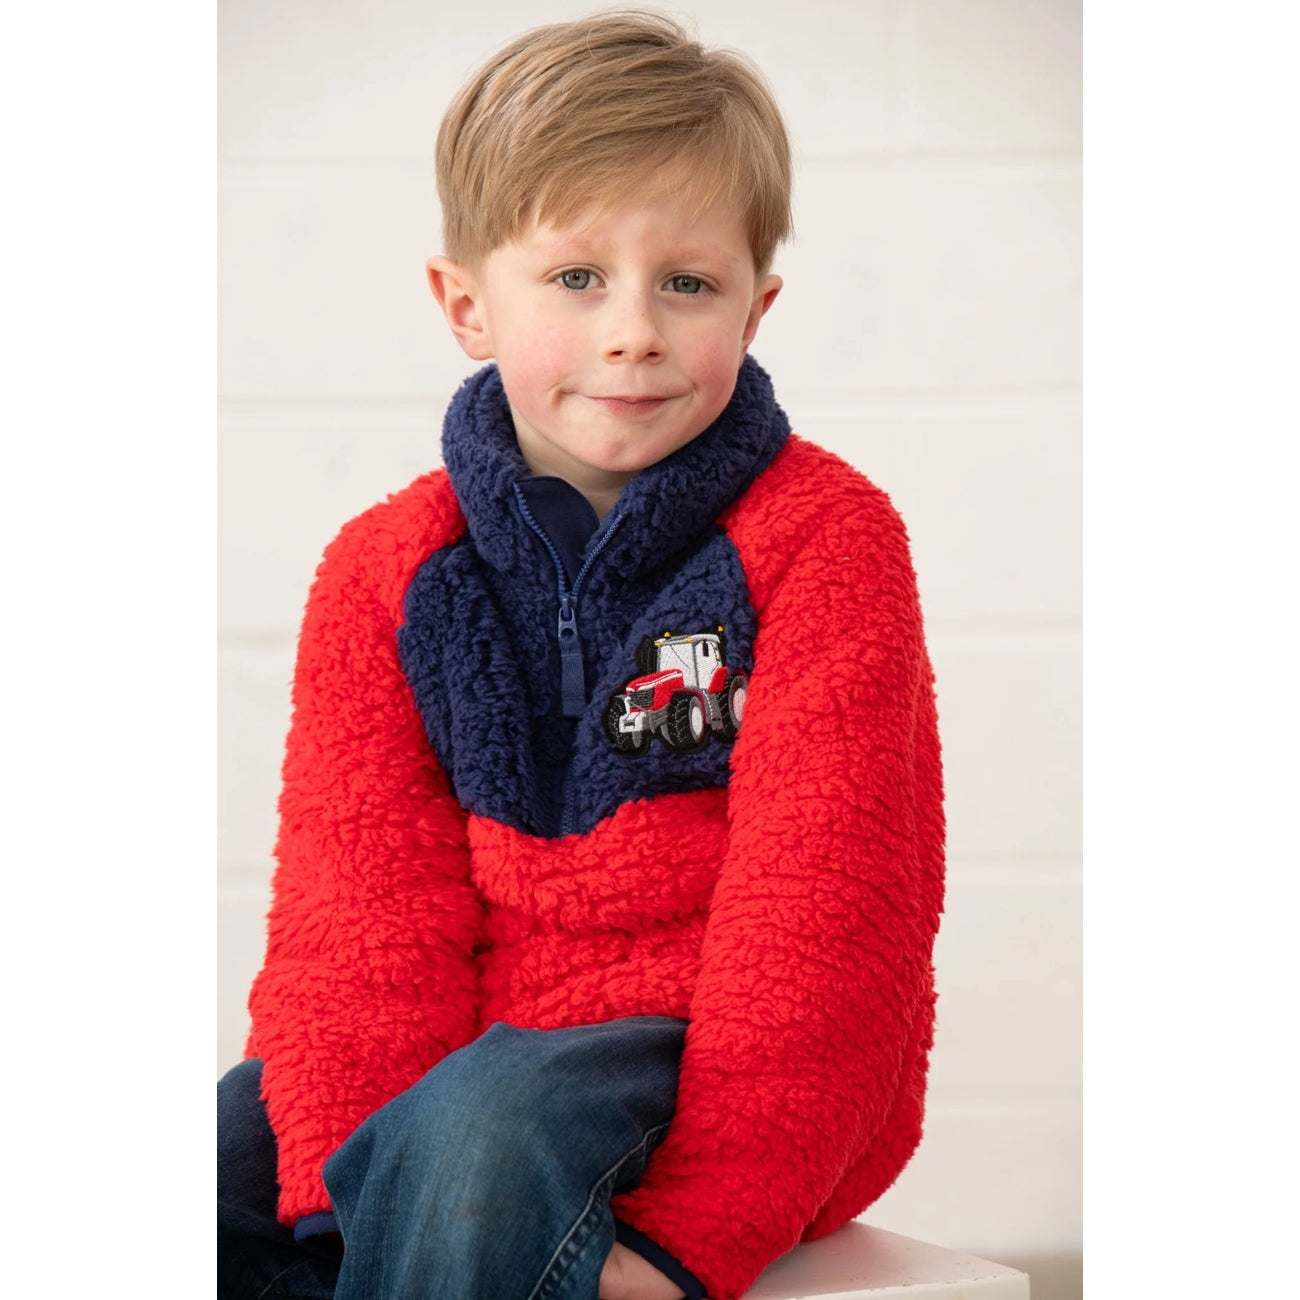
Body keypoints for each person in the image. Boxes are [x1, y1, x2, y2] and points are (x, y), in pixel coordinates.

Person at [217, 11, 945, 1300]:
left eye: (688, 281)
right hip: (464, 1041)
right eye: (574, 278)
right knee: (204, 1158)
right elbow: (357, 914)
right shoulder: (386, 568)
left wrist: (687, 1239)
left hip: (712, 1060)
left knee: (477, 1138)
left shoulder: (822, 542)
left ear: (756, 307)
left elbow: (833, 919)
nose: (634, 331)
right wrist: (347, 1183)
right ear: (465, 305)